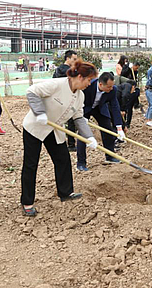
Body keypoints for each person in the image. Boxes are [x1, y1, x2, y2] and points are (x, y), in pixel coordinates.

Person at [21, 60, 98, 216]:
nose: (89, 84)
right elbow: (32, 91)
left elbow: (78, 118)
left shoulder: (80, 96)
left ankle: (66, 192)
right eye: (89, 80)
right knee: (31, 164)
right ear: (80, 77)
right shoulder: (57, 84)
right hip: (35, 126)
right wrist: (39, 112)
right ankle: (27, 202)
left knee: (63, 159)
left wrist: (89, 137)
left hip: (54, 129)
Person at [75, 72, 125, 171]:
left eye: (112, 86)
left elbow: (115, 107)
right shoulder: (88, 86)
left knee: (107, 129)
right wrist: (80, 116)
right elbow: (77, 100)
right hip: (84, 108)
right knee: (82, 134)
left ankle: (110, 156)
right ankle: (81, 163)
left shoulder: (113, 90)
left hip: (100, 108)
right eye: (109, 87)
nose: (111, 88)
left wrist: (119, 128)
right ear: (101, 84)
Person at [54, 50, 79, 150]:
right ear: (68, 59)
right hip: (68, 99)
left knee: (58, 122)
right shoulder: (70, 72)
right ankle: (71, 144)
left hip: (57, 99)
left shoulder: (57, 69)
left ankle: (59, 143)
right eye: (74, 59)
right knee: (71, 121)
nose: (75, 61)